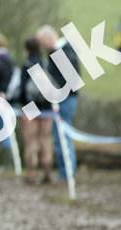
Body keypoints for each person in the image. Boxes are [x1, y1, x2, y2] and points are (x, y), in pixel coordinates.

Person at [37, 25, 80, 182]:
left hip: (65, 99)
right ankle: (66, 171)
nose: (42, 47)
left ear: (48, 39)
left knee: (62, 136)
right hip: (65, 98)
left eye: (42, 43)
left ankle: (66, 173)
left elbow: (68, 80)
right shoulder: (62, 51)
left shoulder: (62, 53)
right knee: (61, 136)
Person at [17, 37, 54, 184]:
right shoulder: (46, 64)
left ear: (26, 49)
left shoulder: (26, 65)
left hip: (30, 106)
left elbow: (22, 89)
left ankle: (31, 174)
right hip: (47, 106)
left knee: (30, 141)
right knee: (45, 140)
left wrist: (20, 102)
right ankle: (47, 173)